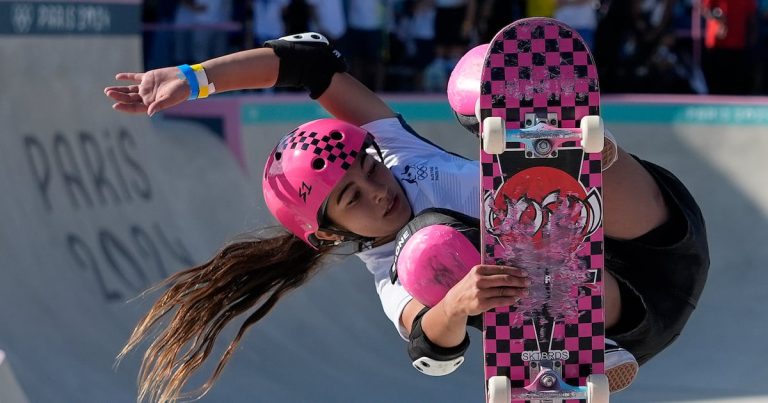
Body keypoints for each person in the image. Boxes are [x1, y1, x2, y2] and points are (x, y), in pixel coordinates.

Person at [103, 32, 709, 402]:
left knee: (476, 85)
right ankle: (565, 350)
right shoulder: (393, 272)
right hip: (618, 320)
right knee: (430, 247)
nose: (377, 188)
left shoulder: (394, 145)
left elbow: (310, 63)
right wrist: (457, 304)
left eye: (368, 167)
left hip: (651, 229)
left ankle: (577, 150)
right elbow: (432, 350)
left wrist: (194, 77)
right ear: (328, 234)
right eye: (351, 198)